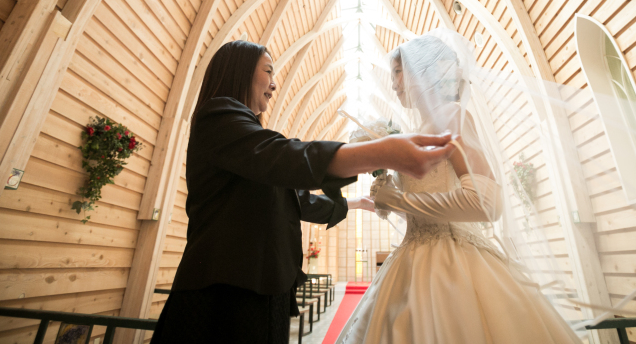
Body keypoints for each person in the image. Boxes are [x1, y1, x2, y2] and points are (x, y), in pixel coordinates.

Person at [150, 40, 458, 344]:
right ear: (239, 71)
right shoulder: (218, 117)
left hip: (263, 286)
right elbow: (285, 157)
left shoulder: (247, 142)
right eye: (267, 71)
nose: (273, 84)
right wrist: (380, 153)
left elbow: (295, 199)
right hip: (225, 291)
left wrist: (357, 203)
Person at [335, 31, 580, 344]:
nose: (394, 83)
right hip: (410, 260)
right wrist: (390, 201)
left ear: (423, 72)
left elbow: (486, 202)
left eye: (398, 71)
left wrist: (400, 199)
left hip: (451, 264)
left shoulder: (451, 116)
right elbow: (426, 201)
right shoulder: (416, 131)